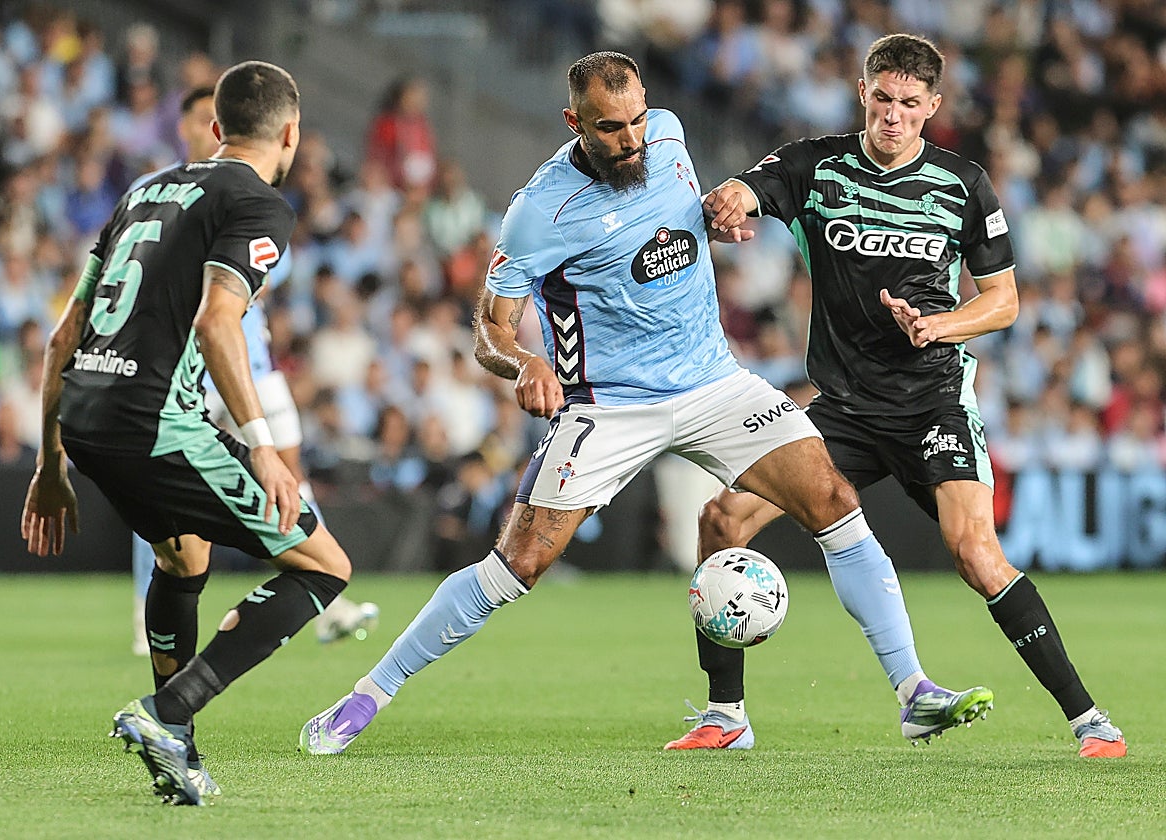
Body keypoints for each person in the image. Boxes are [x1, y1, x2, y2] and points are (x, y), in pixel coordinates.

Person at [299, 51, 990, 757]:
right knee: (518, 566)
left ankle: (912, 693)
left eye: (635, 120)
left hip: (712, 381)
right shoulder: (541, 210)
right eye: (609, 128)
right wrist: (527, 361)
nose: (630, 139)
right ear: (575, 123)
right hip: (612, 405)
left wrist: (717, 220)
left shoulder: (668, 134)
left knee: (833, 498)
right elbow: (489, 329)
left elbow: (674, 227)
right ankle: (367, 695)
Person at [680, 33, 1126, 759]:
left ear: (933, 107)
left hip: (932, 402)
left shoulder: (962, 183)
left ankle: (1089, 720)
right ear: (864, 92)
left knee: (976, 554)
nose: (893, 116)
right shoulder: (816, 166)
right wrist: (727, 202)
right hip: (843, 409)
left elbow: (1004, 300)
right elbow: (747, 190)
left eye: (910, 105)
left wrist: (943, 324)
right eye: (882, 99)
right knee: (721, 518)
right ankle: (725, 714)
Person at [20, 60, 356, 806]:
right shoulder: (259, 202)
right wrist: (263, 443)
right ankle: (169, 714)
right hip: (154, 422)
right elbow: (215, 319)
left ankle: (178, 748)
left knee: (181, 558)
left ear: (214, 128)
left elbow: (60, 338)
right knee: (326, 566)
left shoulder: (143, 191)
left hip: (84, 418)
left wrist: (51, 463)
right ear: (291, 133)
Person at [126, 86, 377, 656]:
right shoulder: (174, 189)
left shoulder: (252, 193)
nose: (201, 127)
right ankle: (155, 608)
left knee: (288, 473)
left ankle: (327, 599)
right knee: (168, 491)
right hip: (198, 363)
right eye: (194, 118)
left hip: (252, 361)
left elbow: (262, 279)